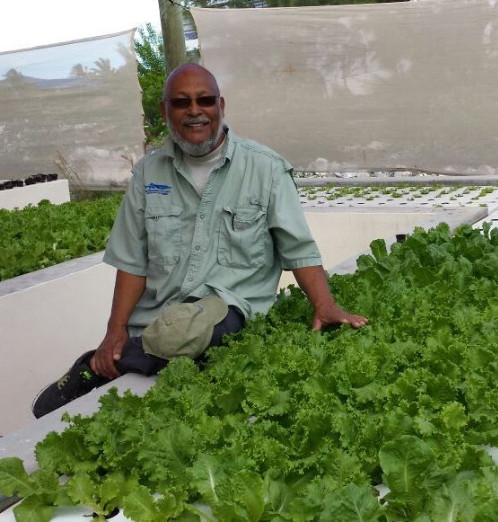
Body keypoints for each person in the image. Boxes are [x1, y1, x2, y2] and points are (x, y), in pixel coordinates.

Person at [32, 63, 367, 418]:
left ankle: (99, 368)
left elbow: (298, 248)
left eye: (205, 100)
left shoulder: (265, 169)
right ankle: (101, 362)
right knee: (169, 336)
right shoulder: (149, 172)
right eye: (181, 102)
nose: (195, 111)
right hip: (159, 317)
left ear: (221, 106)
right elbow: (133, 261)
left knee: (187, 333)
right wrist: (114, 332)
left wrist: (325, 305)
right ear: (165, 111)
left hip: (228, 307)